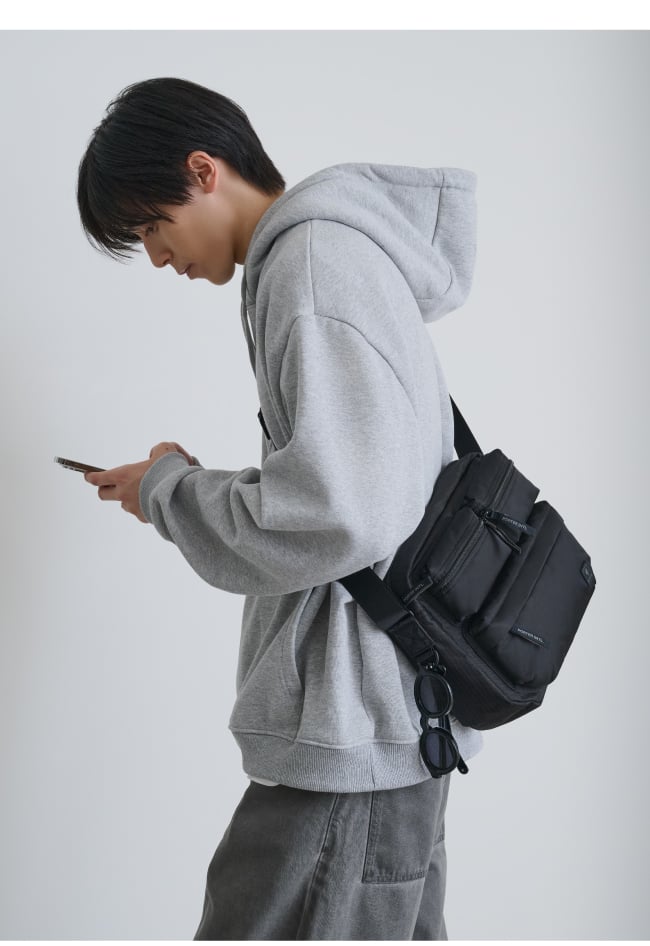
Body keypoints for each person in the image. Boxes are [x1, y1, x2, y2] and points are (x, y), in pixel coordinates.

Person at [76, 76, 483, 940]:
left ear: (203, 171)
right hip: (393, 709)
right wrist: (175, 485)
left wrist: (170, 493)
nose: (158, 257)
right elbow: (353, 484)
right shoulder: (331, 256)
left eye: (151, 226)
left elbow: (343, 512)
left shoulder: (311, 265)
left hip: (355, 725)